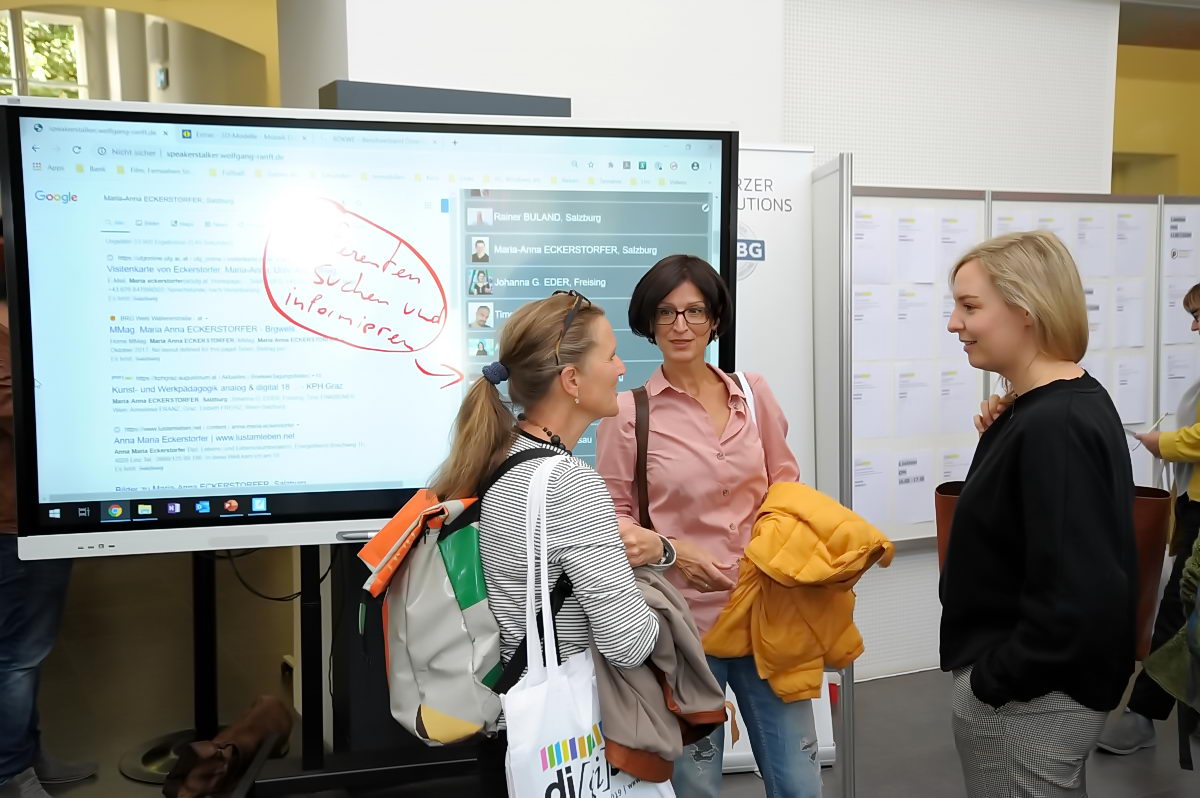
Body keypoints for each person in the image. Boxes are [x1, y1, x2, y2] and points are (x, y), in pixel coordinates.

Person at [595, 254, 821, 798]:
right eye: (666, 312)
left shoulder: (753, 393)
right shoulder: (627, 414)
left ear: (715, 320)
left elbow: (786, 490)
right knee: (695, 788)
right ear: (649, 322)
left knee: (800, 784)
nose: (681, 326)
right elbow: (613, 521)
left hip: (766, 617)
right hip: (684, 632)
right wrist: (674, 550)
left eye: (695, 311)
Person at [428, 291, 670, 798]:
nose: (622, 368)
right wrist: (665, 607)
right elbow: (628, 642)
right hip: (566, 736)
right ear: (572, 380)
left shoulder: (499, 456)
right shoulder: (569, 482)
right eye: (610, 356)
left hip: (514, 724)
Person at [942, 230, 1137, 797]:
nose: (954, 324)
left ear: (1025, 309)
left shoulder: (1056, 423)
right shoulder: (1049, 407)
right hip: (1032, 693)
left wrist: (993, 682)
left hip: (1028, 701)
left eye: (970, 306)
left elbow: (1078, 593)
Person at [0, 257, 97, 798]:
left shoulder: (29, 317)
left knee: (30, 649)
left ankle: (27, 757)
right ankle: (9, 774)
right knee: (15, 654)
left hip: (45, 515)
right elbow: (21, 411)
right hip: (10, 523)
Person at [1097, 280, 1200, 754]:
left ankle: (1142, 713)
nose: (1194, 328)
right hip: (1193, 502)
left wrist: (1165, 443)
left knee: (1179, 607)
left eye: (1199, 316)